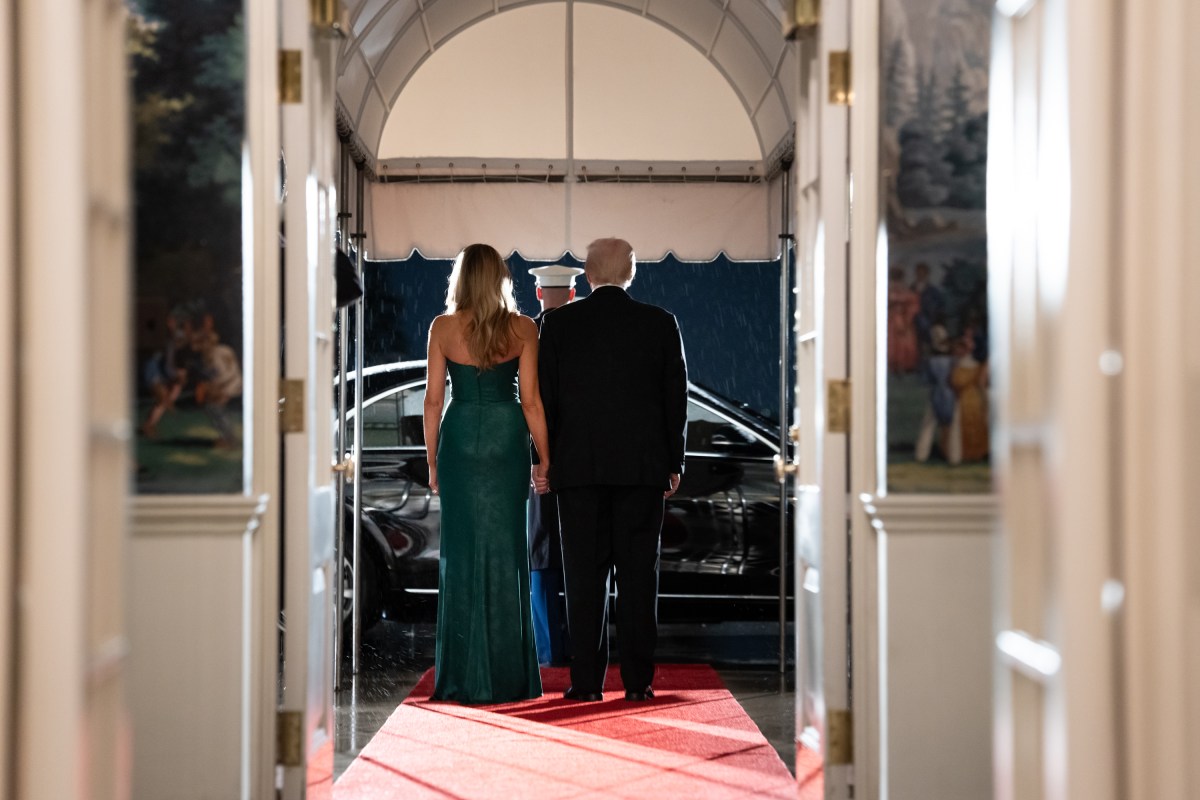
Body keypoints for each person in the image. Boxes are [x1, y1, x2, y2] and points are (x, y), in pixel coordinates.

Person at [538, 237, 688, 703]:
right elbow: (675, 400)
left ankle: (586, 683)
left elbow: (544, 400)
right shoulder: (661, 324)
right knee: (639, 579)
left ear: (586, 274)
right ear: (631, 274)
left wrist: (542, 461)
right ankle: (639, 682)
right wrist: (674, 461)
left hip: (577, 471)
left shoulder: (558, 325)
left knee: (583, 580)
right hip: (642, 471)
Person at [423, 243, 550, 704]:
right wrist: (545, 458)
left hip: (459, 438)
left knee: (458, 555)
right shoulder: (522, 328)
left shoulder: (442, 327)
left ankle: (460, 674)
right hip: (505, 438)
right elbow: (532, 400)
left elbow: (433, 401)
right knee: (507, 552)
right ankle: (506, 675)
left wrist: (434, 461)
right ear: (499, 278)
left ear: (461, 280)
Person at [525, 264, 584, 667]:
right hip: (582, 458)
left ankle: (549, 652)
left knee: (540, 556)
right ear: (574, 293)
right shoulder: (588, 333)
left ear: (540, 294)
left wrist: (535, 461)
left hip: (538, 463)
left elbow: (526, 402)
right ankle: (580, 647)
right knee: (581, 557)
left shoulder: (527, 333)